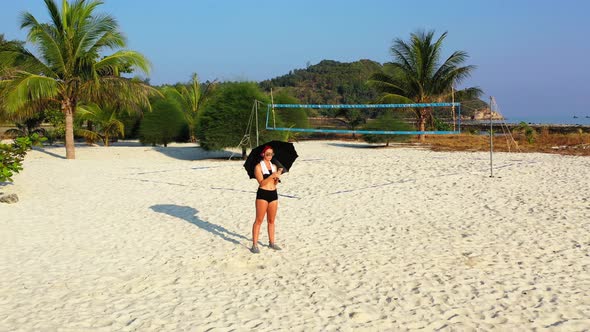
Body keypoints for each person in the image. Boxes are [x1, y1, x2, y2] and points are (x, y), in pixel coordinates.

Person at [251, 146, 283, 254]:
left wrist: (277, 177)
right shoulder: (258, 167)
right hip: (263, 194)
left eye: (271, 154)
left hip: (273, 193)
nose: (270, 156)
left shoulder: (274, 166)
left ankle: (272, 242)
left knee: (271, 220)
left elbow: (274, 183)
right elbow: (262, 183)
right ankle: (254, 245)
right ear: (263, 154)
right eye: (268, 154)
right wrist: (271, 176)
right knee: (259, 220)